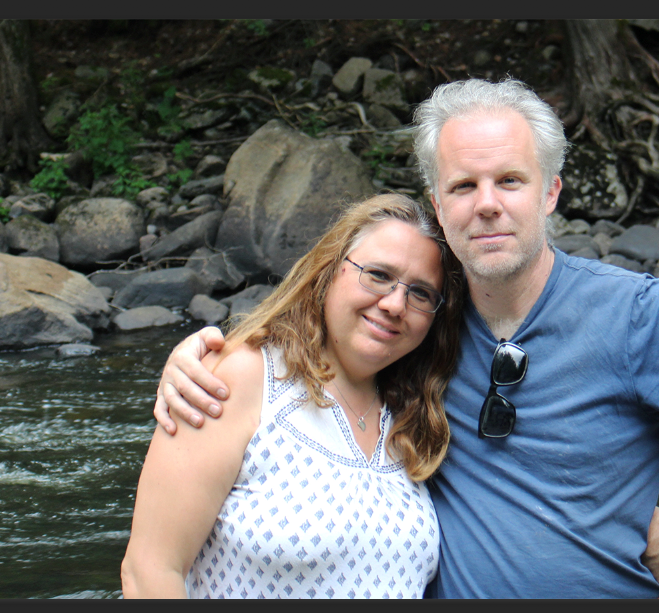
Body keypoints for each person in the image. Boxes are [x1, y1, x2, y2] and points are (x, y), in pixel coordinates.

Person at [153, 79, 659, 598]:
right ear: (437, 204)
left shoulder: (639, 314)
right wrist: (200, 354)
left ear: (548, 191)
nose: (486, 202)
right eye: (463, 185)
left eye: (509, 180)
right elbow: (313, 346)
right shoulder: (419, 319)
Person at [121, 194, 465, 598]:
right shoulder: (240, 378)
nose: (394, 304)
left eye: (421, 294)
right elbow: (150, 571)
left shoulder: (414, 416)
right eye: (377, 274)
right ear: (329, 270)